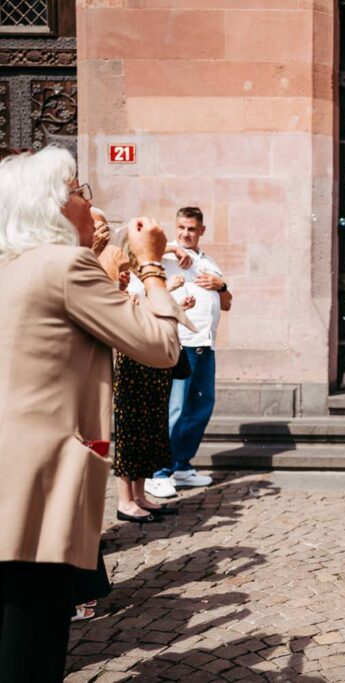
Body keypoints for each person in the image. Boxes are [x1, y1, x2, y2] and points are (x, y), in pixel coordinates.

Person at [0, 146, 190, 680]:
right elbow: (159, 345)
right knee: (32, 646)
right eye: (80, 191)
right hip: (38, 484)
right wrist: (152, 262)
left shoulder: (11, 267)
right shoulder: (62, 264)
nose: (88, 202)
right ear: (54, 205)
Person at [149, 207, 232, 494]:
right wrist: (170, 246)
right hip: (180, 342)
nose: (186, 234)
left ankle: (181, 465)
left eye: (191, 229)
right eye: (181, 228)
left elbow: (227, 303)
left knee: (200, 407)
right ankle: (158, 471)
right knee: (175, 408)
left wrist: (222, 286)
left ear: (201, 231)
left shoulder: (209, 262)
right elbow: (135, 251)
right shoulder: (167, 255)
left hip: (205, 345)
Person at [115, 241, 196, 522]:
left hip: (154, 362)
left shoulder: (148, 278)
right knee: (131, 431)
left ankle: (139, 494)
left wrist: (177, 304)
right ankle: (125, 500)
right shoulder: (123, 276)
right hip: (134, 363)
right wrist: (169, 290)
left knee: (150, 430)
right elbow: (132, 312)